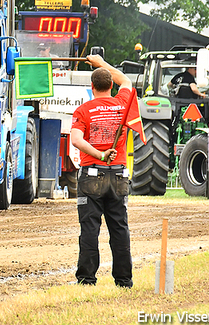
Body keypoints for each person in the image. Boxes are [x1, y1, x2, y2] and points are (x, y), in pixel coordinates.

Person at [70, 54, 133, 289]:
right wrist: (102, 63)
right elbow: (125, 81)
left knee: (89, 229)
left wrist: (98, 154)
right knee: (119, 229)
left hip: (91, 176)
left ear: (92, 87)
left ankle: (87, 280)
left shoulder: (83, 110)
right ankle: (124, 281)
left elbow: (76, 140)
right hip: (118, 176)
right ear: (110, 86)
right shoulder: (123, 103)